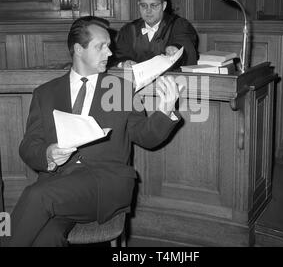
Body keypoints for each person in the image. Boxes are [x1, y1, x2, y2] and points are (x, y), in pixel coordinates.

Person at [3, 16, 180, 247]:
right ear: (78, 49)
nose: (109, 53)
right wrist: (47, 154)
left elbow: (145, 137)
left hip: (104, 185)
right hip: (60, 185)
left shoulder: (122, 90)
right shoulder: (45, 93)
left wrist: (165, 113)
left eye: (109, 46)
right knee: (45, 238)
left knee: (36, 195)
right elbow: (29, 145)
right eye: (101, 46)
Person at [114, 0, 198, 68]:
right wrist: (124, 63)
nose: (148, 10)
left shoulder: (178, 25)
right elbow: (119, 55)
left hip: (171, 79)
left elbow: (185, 45)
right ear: (138, 5)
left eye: (153, 5)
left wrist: (176, 48)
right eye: (143, 5)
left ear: (164, 5)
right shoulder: (129, 29)